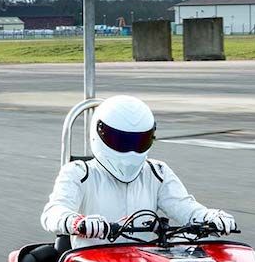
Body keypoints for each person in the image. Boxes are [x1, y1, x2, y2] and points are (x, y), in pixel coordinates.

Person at [41, 95, 235, 248]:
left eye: (138, 141)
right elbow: (52, 212)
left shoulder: (157, 172)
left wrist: (210, 217)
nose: (131, 150)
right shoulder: (78, 172)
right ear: (98, 133)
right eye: (122, 141)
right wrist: (77, 222)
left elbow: (185, 208)